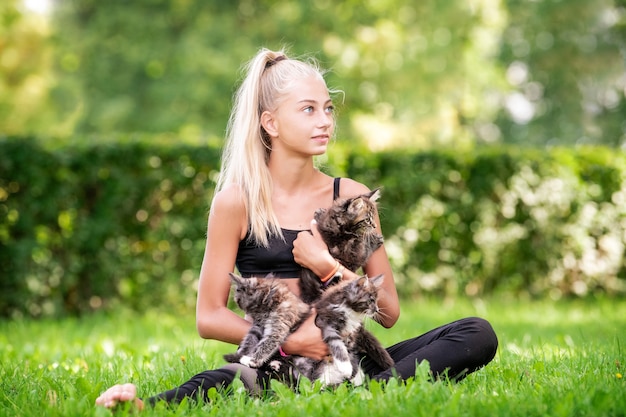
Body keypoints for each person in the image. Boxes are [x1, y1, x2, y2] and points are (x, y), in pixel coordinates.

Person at [95, 47, 498, 410]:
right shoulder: (237, 203)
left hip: (350, 357)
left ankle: (362, 392)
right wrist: (290, 341)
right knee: (225, 382)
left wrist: (328, 268)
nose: (324, 121)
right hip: (276, 367)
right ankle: (141, 406)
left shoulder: (352, 197)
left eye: (327, 109)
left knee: (476, 333)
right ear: (270, 123)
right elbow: (209, 316)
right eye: (308, 109)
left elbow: (390, 311)